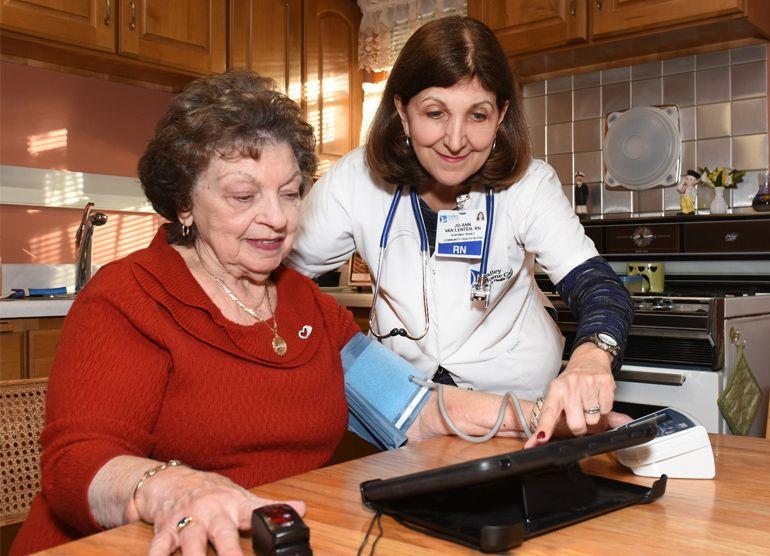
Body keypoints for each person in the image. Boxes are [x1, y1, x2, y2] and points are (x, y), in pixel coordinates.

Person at [12, 71, 608, 556]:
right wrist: (172, 487)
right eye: (244, 195)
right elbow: (77, 465)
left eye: (292, 192)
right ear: (182, 202)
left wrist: (545, 414)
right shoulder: (129, 298)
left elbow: (414, 408)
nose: (277, 217)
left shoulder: (305, 307)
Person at [286, 16, 635, 450]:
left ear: (501, 114)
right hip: (402, 409)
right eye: (435, 113)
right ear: (402, 111)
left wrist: (591, 358)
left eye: (477, 115)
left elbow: (599, 288)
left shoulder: (528, 184)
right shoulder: (356, 179)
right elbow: (279, 278)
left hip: (518, 411)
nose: (455, 140)